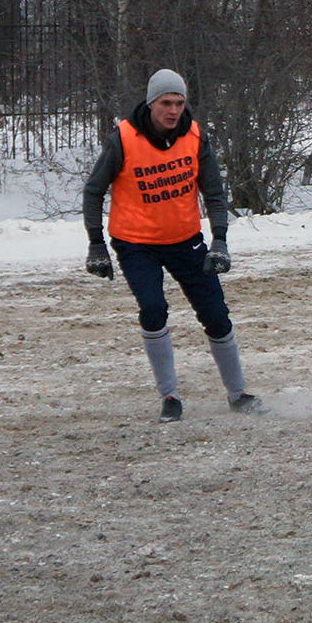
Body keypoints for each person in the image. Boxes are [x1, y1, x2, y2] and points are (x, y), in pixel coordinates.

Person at [82, 69, 262, 422]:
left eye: (179, 103)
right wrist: (96, 245)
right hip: (136, 244)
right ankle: (169, 397)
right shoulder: (124, 138)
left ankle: (238, 393)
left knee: (216, 315)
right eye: (166, 102)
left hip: (185, 240)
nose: (174, 110)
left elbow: (213, 193)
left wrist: (220, 241)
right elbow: (93, 191)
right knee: (153, 309)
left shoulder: (196, 137)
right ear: (151, 104)